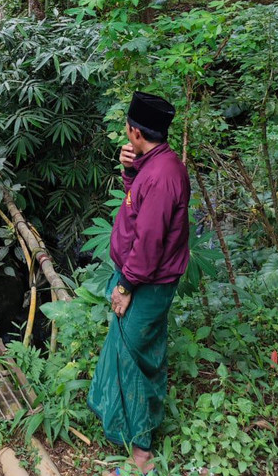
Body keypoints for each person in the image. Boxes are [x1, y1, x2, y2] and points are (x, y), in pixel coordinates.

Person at [87, 91, 190, 476]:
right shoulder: (154, 162)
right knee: (133, 347)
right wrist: (130, 170)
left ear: (134, 130)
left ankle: (141, 453)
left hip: (146, 280)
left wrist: (126, 286)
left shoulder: (163, 176)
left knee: (134, 354)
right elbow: (136, 204)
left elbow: (149, 240)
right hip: (139, 274)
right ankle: (123, 424)